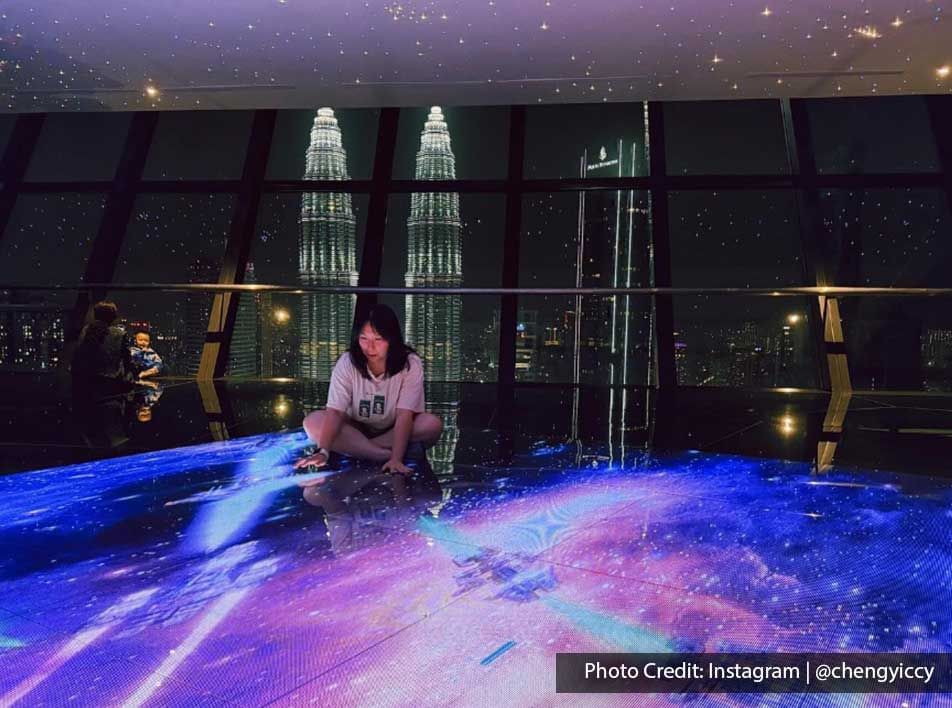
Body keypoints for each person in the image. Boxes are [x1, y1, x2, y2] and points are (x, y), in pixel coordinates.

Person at [294, 304, 443, 481]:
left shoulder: (409, 363)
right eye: (363, 338)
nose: (370, 347)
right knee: (312, 422)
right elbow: (335, 411)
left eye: (378, 339)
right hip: (355, 428)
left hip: (392, 429)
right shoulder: (348, 362)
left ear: (392, 338)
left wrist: (396, 459)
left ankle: (353, 450)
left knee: (431, 424)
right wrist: (323, 451)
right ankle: (378, 454)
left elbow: (405, 415)